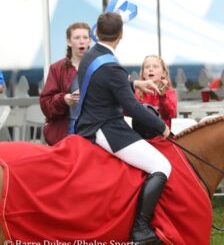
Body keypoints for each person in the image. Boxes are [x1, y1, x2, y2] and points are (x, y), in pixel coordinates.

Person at [75, 12, 171, 244]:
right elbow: (133, 107)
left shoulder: (89, 55)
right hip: (106, 127)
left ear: (95, 34)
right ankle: (140, 229)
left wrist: (135, 83)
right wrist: (163, 129)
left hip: (90, 121)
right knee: (162, 165)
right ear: (121, 35)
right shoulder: (113, 68)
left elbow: (104, 81)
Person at [39, 22, 91, 145]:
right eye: (77, 38)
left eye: (85, 37)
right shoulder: (57, 68)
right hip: (65, 133)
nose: (81, 41)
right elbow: (45, 104)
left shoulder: (97, 66)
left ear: (90, 41)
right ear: (69, 42)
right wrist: (64, 100)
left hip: (92, 131)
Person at [136, 55, 177, 128]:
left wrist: (162, 97)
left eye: (155, 66)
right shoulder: (137, 93)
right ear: (142, 73)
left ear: (164, 73)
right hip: (142, 136)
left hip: (162, 137)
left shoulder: (169, 92)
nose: (151, 69)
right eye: (147, 67)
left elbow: (171, 114)